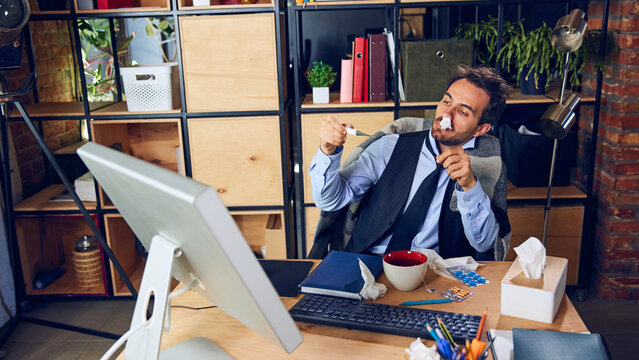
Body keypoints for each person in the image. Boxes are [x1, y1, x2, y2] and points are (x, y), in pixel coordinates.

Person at [307, 65, 511, 260]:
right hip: (366, 263)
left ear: (480, 130)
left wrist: (469, 186)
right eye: (446, 102)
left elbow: (484, 244)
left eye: (463, 112)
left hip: (433, 275)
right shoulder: (390, 146)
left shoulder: (487, 163)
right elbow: (330, 200)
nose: (446, 114)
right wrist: (328, 151)